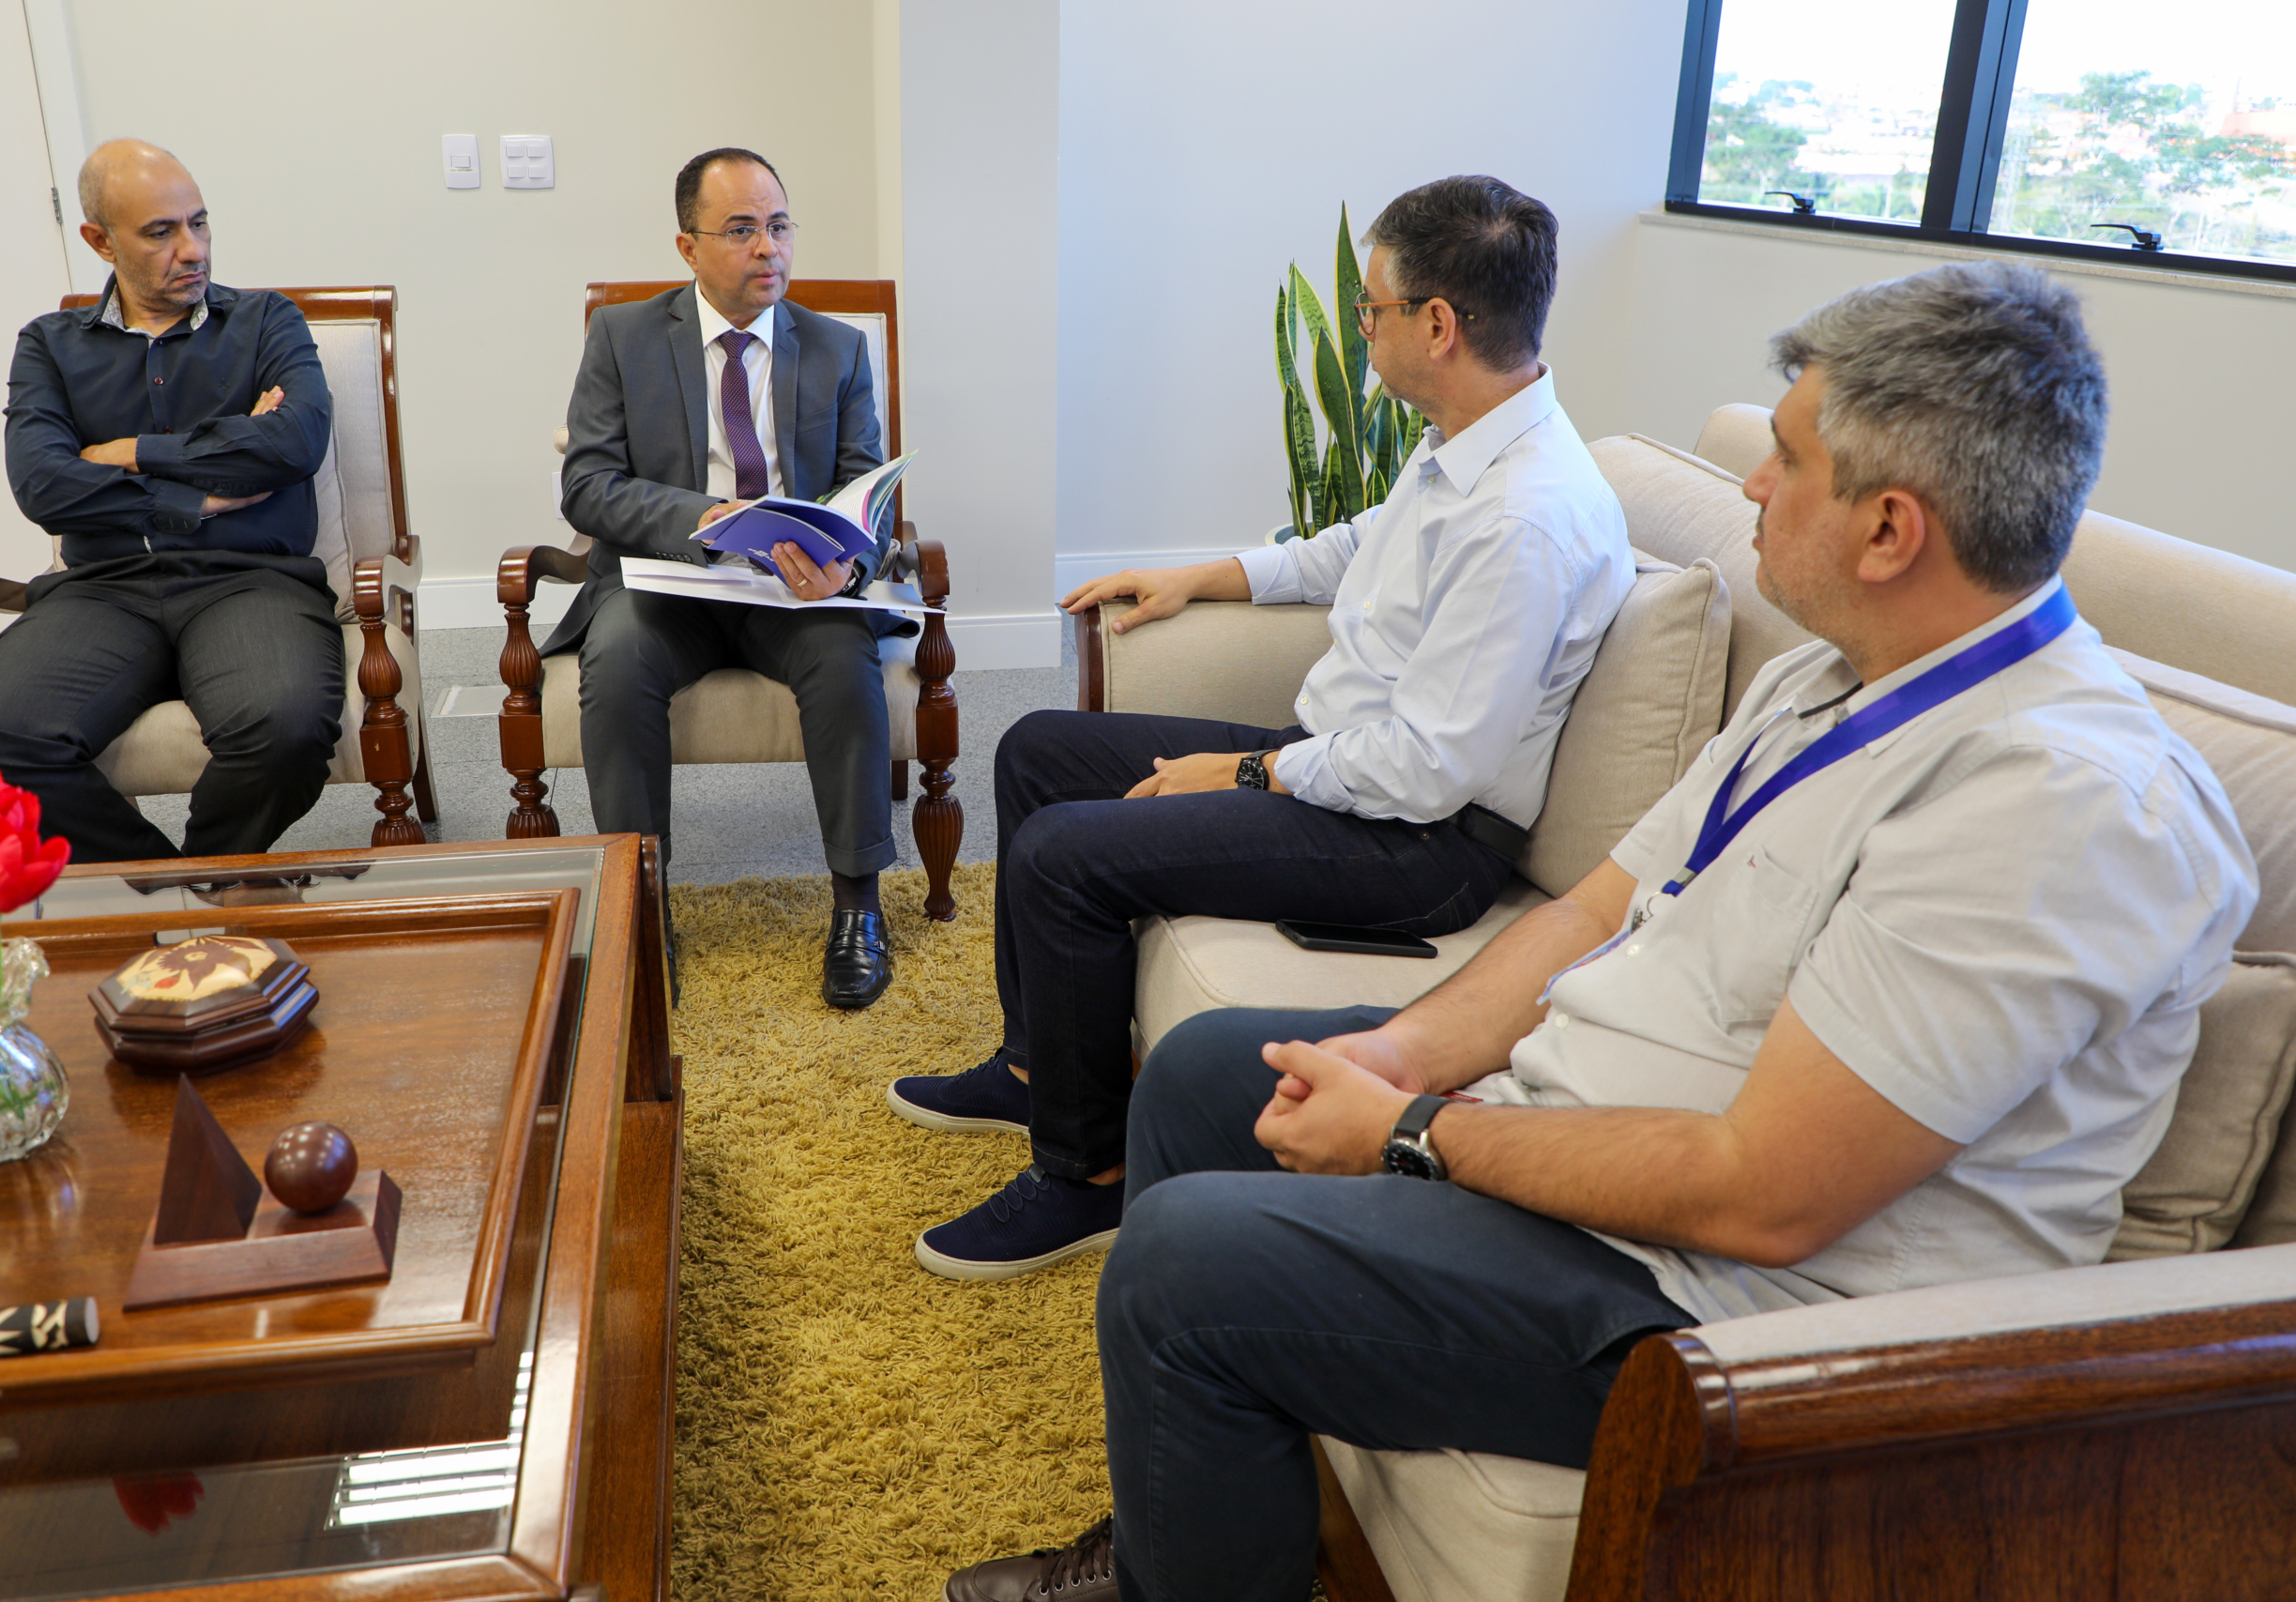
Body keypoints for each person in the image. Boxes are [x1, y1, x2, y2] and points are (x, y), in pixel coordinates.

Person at [939, 260, 2260, 1602]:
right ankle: (1200, 1527)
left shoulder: (2058, 805)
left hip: (1738, 1314)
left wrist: (1412, 1129)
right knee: (1221, 1067)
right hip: (1598, 1130)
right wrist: (1404, 1051)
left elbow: (1769, 1191)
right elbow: (1591, 906)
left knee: (1181, 1267)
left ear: (1890, 529)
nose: (1750, 484)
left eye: (1787, 459)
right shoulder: (1832, 677)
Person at [888, 175, 1635, 1279]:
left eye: (1373, 309)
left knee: (1062, 858)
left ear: (1438, 324)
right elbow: (1353, 546)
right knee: (1039, 747)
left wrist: (1246, 773)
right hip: (1343, 765)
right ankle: (1037, 1070)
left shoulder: (1525, 517)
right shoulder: (1463, 442)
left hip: (1419, 845)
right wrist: (1201, 576)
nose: (1362, 327)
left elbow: (1429, 771)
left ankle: (1086, 1176)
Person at [550, 145, 900, 1009]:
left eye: (778, 227)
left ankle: (858, 905)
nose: (767, 249)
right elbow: (586, 485)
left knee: (843, 648)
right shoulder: (624, 338)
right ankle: (641, 903)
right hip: (668, 582)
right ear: (688, 246)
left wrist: (846, 556)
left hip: (788, 589)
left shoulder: (837, 348)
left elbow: (869, 486)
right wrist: (698, 521)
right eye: (740, 230)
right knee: (620, 657)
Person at [0, 140, 341, 862]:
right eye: (160, 232)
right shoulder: (49, 346)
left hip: (249, 580)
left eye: (199, 223)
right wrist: (206, 498)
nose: (192, 250)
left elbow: (293, 445)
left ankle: (205, 879)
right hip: (103, 589)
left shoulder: (265, 322)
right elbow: (44, 486)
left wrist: (132, 450)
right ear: (100, 240)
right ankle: (167, 891)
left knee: (285, 726)